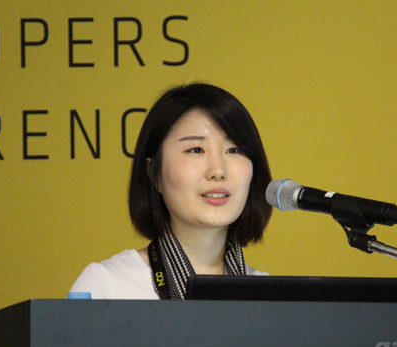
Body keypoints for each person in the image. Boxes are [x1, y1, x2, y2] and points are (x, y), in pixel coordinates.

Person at [69, 83, 272, 299]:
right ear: (154, 173)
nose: (218, 171)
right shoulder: (107, 286)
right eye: (196, 150)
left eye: (234, 150)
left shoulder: (270, 295)